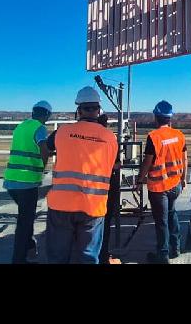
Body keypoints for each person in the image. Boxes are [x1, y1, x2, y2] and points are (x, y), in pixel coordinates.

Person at [44, 86, 118, 264]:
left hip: (61, 204)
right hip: (93, 206)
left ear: (78, 110)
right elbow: (112, 164)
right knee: (88, 257)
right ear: (99, 110)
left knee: (57, 257)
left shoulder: (61, 132)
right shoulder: (109, 137)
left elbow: (47, 147)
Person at [136, 100, 187, 264]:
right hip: (175, 184)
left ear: (156, 118)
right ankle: (176, 247)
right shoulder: (179, 135)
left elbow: (147, 162)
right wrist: (184, 178)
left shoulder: (153, 137)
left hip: (159, 188)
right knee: (172, 214)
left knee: (161, 221)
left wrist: (139, 179)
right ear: (170, 119)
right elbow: (184, 159)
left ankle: (163, 255)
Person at [2, 100, 52, 264]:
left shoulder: (21, 126)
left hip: (11, 181)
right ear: (46, 115)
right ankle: (19, 258)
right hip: (27, 182)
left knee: (26, 217)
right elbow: (44, 149)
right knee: (25, 222)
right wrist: (43, 169)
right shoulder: (39, 128)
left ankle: (30, 247)